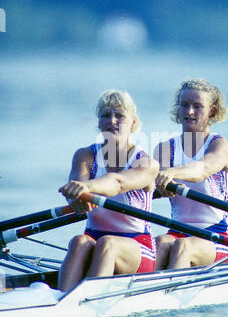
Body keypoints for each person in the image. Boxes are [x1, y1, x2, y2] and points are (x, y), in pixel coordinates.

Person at [58, 90, 159, 291]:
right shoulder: (85, 155)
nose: (112, 121)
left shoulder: (146, 163)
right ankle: (60, 300)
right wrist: (76, 199)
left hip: (138, 246)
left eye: (119, 115)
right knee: (78, 241)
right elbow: (77, 192)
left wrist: (87, 188)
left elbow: (118, 183)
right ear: (99, 123)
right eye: (105, 115)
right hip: (93, 238)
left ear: (132, 122)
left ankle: (86, 300)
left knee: (108, 244)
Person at [154, 78, 228, 270]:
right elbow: (147, 187)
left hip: (217, 235)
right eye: (184, 105)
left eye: (197, 106)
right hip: (177, 231)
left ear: (212, 111)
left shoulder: (219, 145)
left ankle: (169, 293)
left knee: (183, 246)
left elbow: (201, 170)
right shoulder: (165, 149)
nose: (189, 112)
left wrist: (171, 173)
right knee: (157, 244)